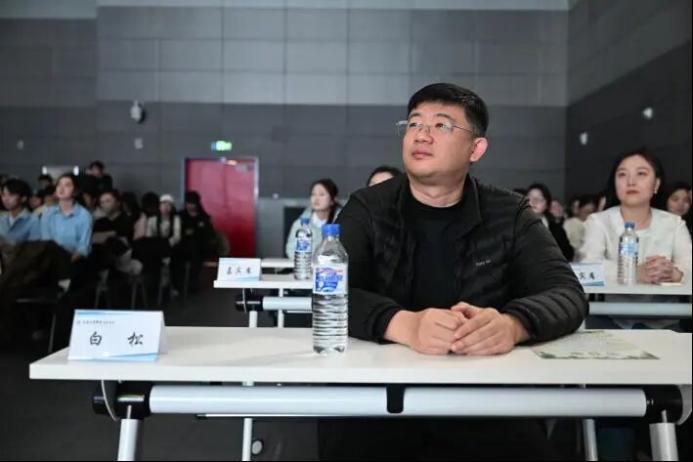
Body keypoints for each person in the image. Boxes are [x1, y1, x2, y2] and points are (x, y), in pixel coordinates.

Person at [328, 83, 587, 460]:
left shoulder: (510, 213)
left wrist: (513, 325)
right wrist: (404, 325)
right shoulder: (367, 208)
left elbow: (567, 294)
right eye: (414, 123)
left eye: (442, 125)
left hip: (482, 398)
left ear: (475, 149)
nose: (422, 134)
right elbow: (330, 295)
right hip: (380, 399)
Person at [580, 150, 691, 304]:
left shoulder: (674, 224)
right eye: (622, 174)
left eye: (641, 174)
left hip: (667, 315)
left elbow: (689, 267)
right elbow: (585, 271)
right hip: (611, 315)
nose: (631, 181)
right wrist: (634, 273)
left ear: (656, 184)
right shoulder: (598, 222)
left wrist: (674, 274)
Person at [284, 179, 341, 258]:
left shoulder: (341, 223)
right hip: (306, 264)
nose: (316, 199)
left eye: (321, 194)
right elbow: (290, 250)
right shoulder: (300, 223)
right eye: (313, 194)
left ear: (333, 199)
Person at [526, 183, 574, 261]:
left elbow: (568, 253)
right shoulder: (514, 227)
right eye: (530, 198)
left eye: (540, 199)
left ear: (547, 205)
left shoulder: (556, 229)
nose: (534, 202)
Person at [0, 179, 40, 245]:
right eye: (3, 195)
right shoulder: (1, 218)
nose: (6, 199)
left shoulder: (33, 220)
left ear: (23, 198)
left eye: (11, 195)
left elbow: (34, 247)